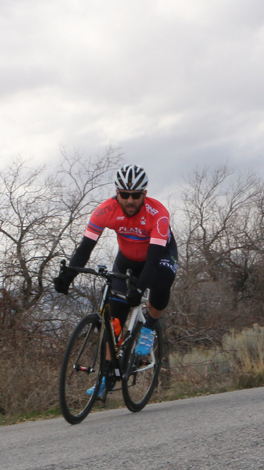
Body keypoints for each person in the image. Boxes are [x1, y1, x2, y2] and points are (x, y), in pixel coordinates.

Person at [52, 164, 178, 389]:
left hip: (158, 257)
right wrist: (68, 277)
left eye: (136, 195)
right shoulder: (105, 210)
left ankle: (149, 326)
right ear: (117, 192)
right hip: (127, 258)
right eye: (125, 195)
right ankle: (107, 376)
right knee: (113, 319)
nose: (130, 201)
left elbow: (152, 259)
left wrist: (139, 290)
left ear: (144, 194)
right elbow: (85, 248)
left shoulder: (158, 214)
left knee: (161, 282)